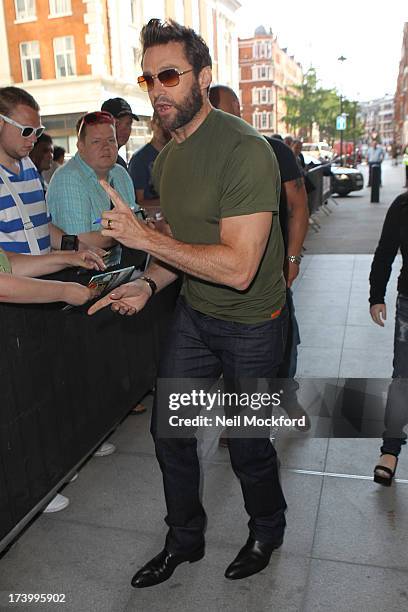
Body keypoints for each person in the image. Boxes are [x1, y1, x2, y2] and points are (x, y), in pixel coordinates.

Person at [89, 18, 288, 587]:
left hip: (253, 323)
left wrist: (145, 239)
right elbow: (181, 244)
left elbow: (240, 266)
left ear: (203, 76)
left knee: (248, 444)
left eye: (170, 75)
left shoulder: (246, 151)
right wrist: (149, 282)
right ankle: (185, 540)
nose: (156, 89)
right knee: (170, 433)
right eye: (148, 77)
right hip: (196, 319)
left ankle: (266, 529)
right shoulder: (171, 155)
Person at [209, 85, 309, 428]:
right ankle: (237, 417)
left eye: (232, 109)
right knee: (228, 349)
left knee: (283, 343)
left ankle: (287, 398)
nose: (230, 117)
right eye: (223, 110)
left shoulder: (273, 150)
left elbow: (299, 208)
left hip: (272, 274)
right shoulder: (206, 159)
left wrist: (292, 262)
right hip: (222, 273)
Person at [47, 111, 135, 250]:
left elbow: (137, 217)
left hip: (124, 263)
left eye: (111, 140)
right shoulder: (68, 178)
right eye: (96, 141)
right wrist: (129, 234)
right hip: (84, 267)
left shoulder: (120, 173)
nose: (106, 147)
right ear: (81, 146)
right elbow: (81, 240)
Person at [369, 190, 408, 485]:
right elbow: (385, 251)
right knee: (403, 377)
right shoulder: (403, 205)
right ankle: (390, 450)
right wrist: (376, 296)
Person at [128, 111, 171, 213]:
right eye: (159, 123)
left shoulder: (177, 154)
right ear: (152, 124)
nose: (164, 129)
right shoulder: (139, 159)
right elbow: (139, 202)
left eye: (168, 124)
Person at [101, 98, 139, 169]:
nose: (124, 129)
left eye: (128, 123)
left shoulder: (121, 164)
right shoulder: (93, 162)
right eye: (117, 123)